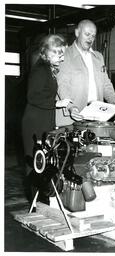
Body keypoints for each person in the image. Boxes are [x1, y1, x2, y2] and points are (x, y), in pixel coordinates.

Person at [22, 34, 67, 204]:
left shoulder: (47, 67)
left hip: (43, 120)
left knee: (42, 162)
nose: (61, 58)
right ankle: (35, 204)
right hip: (35, 123)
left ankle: (41, 201)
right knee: (35, 163)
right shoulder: (40, 69)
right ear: (47, 53)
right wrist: (58, 103)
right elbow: (33, 96)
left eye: (62, 54)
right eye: (58, 54)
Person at [56, 19, 115, 126]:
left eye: (93, 35)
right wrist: (70, 106)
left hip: (95, 117)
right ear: (77, 33)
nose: (90, 38)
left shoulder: (98, 57)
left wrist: (114, 102)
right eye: (87, 34)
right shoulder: (65, 54)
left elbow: (106, 84)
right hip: (71, 117)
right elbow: (62, 84)